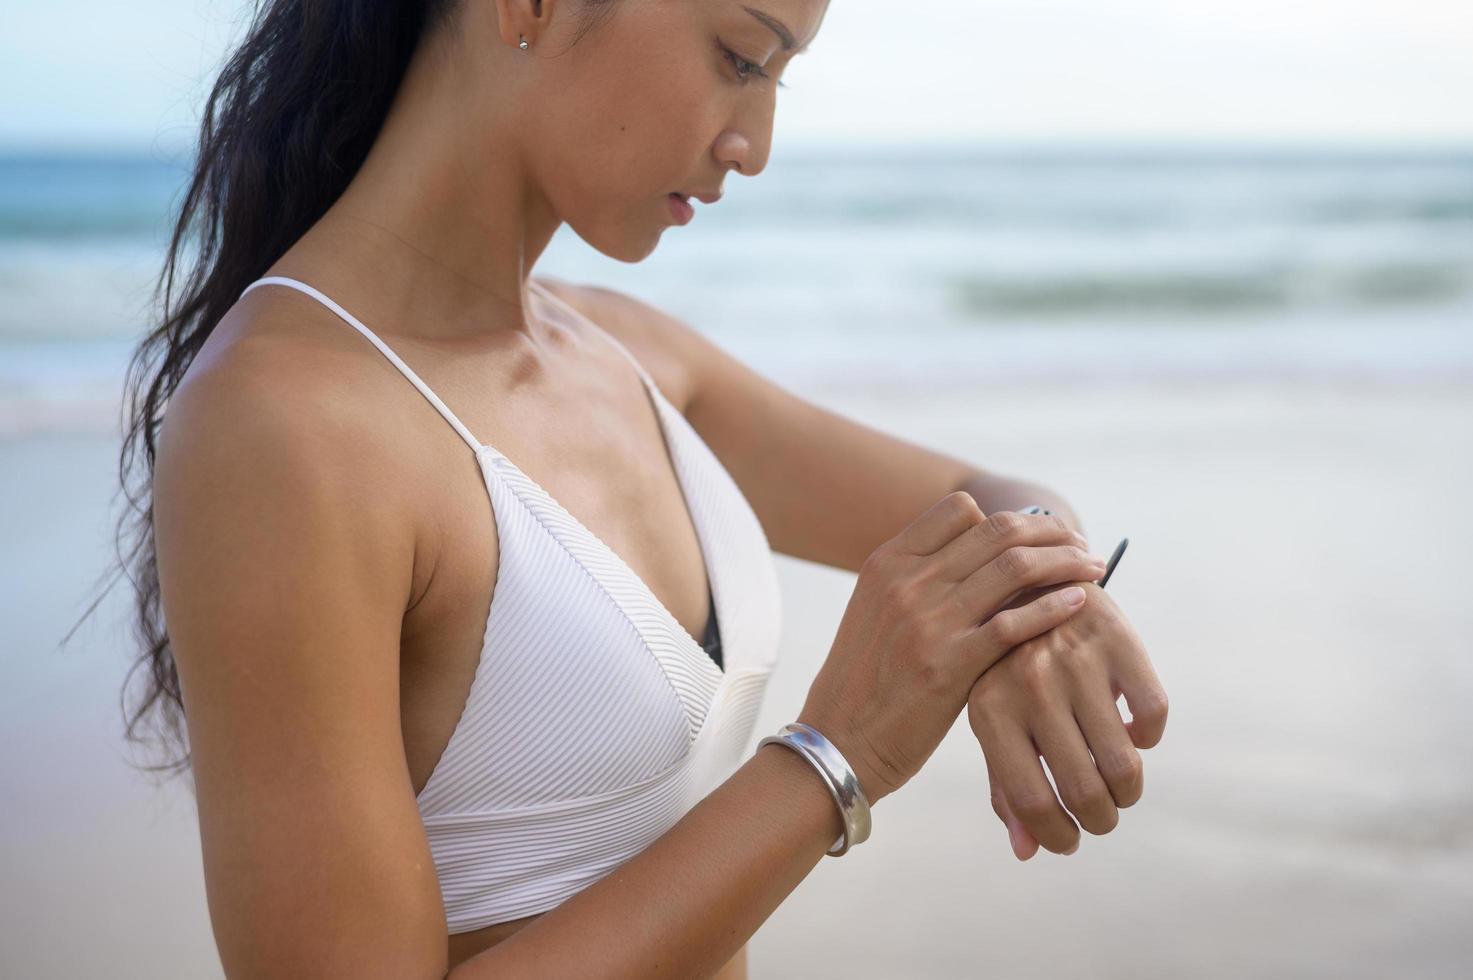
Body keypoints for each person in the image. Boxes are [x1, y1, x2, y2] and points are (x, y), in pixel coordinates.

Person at [106, 0, 1168, 975]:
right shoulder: (287, 425)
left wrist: (1043, 598)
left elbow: (992, 494)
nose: (753, 146)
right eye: (739, 56)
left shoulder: (621, 352)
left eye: (776, 79)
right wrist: (835, 753)